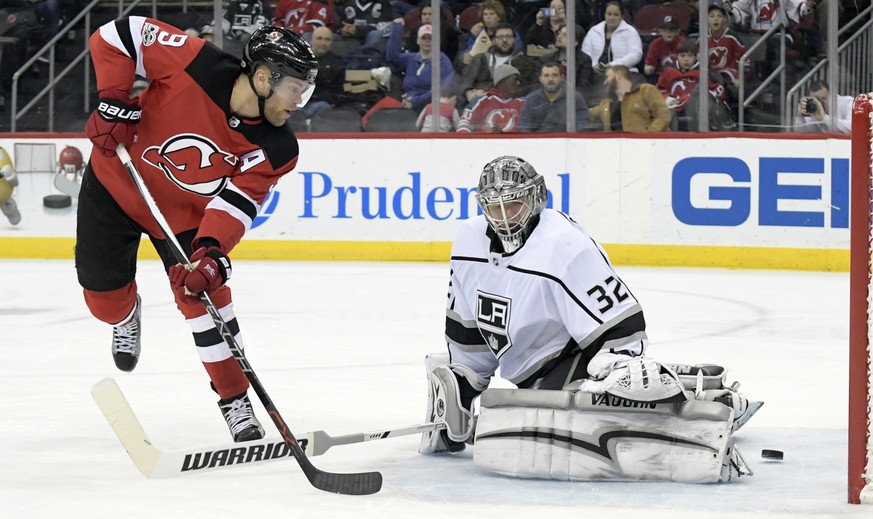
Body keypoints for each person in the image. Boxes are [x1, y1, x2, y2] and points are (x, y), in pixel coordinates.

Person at [417, 155, 761, 482]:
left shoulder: (564, 245)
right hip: (529, 375)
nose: (504, 216)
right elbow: (467, 326)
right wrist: (464, 384)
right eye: (495, 206)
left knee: (619, 405)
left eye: (513, 204)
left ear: (535, 199)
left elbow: (621, 325)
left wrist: (617, 369)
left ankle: (711, 399)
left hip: (578, 359)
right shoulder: (468, 240)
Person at [78, 19, 318, 443]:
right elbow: (117, 36)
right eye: (295, 89)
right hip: (116, 184)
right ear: (263, 77)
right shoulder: (195, 62)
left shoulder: (277, 148)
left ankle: (235, 400)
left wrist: (210, 251)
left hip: (186, 219)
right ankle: (126, 312)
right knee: (103, 304)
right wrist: (114, 99)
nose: (298, 102)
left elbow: (237, 202)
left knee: (208, 301)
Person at [656, 40, 735, 131]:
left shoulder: (705, 71)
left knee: (699, 92)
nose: (686, 59)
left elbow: (719, 90)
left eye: (690, 56)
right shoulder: (669, 71)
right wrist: (669, 99)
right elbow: (659, 90)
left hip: (698, 110)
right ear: (677, 57)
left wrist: (692, 97)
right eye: (682, 56)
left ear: (695, 57)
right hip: (674, 108)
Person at [455, 23, 538, 106]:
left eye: (509, 36)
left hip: (510, 104)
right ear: (493, 40)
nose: (505, 40)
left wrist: (489, 94)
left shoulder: (524, 62)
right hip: (478, 102)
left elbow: (525, 88)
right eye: (500, 37)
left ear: (514, 39)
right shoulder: (481, 58)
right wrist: (468, 91)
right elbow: (466, 80)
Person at [386, 21, 453, 112]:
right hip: (406, 103)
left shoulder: (443, 61)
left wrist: (415, 102)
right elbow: (392, 57)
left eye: (430, 38)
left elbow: (443, 88)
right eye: (423, 38)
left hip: (430, 107)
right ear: (418, 40)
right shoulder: (411, 58)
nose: (427, 40)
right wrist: (397, 30)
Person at [589, 64, 673, 132]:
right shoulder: (606, 103)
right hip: (614, 149)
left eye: (607, 77)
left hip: (644, 148)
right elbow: (587, 114)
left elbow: (663, 115)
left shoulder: (646, 90)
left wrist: (648, 136)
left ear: (618, 75)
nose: (605, 82)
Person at [518, 61, 590, 132]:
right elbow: (523, 126)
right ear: (540, 79)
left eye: (555, 75)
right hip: (539, 142)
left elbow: (583, 124)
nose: (550, 79)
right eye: (546, 75)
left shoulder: (575, 97)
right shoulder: (531, 99)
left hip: (567, 142)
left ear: (562, 77)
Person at [456, 64, 525, 133]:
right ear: (502, 80)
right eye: (515, 79)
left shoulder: (522, 104)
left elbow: (529, 129)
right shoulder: (481, 101)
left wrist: (504, 135)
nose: (518, 83)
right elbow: (464, 124)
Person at [581, 1, 643, 75]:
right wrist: (593, 64)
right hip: (595, 74)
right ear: (604, 15)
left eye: (616, 15)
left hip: (624, 74)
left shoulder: (631, 32)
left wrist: (615, 65)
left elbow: (636, 54)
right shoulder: (593, 31)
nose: (612, 18)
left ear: (622, 16)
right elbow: (585, 53)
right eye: (609, 14)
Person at [299, 26, 346, 118]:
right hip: (298, 103)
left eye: (327, 39)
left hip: (321, 104)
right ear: (311, 40)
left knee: (323, 106)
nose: (323, 43)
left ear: (332, 42)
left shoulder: (338, 63)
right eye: (319, 38)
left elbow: (337, 91)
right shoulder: (299, 60)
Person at [643, 15, 685, 79]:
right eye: (665, 30)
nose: (669, 32)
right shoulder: (655, 44)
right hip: (661, 77)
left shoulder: (683, 43)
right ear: (660, 31)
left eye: (672, 29)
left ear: (678, 31)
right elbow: (648, 68)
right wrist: (649, 68)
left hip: (681, 75)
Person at [0, 146, 21, 226]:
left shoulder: (5, 166)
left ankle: (13, 214)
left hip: (5, 197)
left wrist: (10, 175)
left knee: (10, 208)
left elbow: (15, 183)